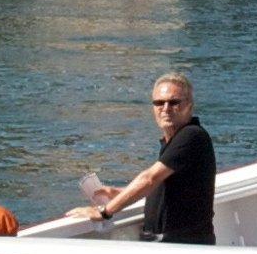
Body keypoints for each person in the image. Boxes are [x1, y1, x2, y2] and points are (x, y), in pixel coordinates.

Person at [54, 74, 218, 242]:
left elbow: (149, 179)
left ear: (190, 106)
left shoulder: (192, 135)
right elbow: (164, 190)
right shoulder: (174, 141)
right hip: (169, 243)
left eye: (174, 102)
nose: (166, 108)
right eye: (159, 103)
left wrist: (104, 212)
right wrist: (117, 193)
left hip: (184, 245)